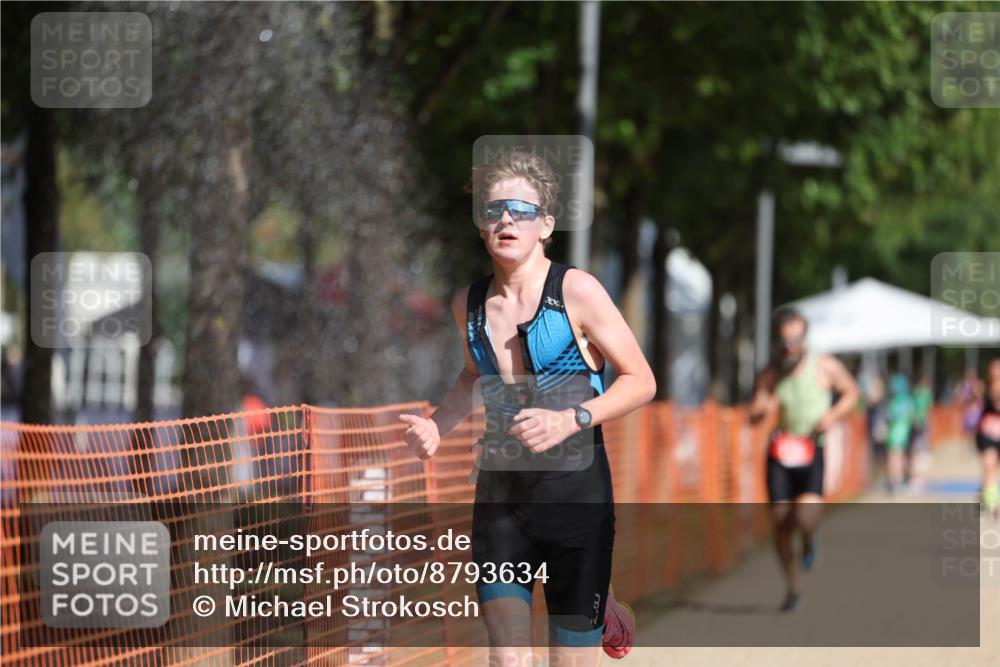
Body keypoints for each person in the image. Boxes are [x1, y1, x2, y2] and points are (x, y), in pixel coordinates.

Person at [399, 149, 655, 665]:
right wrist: (437, 427)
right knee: (508, 659)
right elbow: (475, 375)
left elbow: (641, 380)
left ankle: (602, 605)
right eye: (493, 210)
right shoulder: (468, 304)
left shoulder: (576, 291)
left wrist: (572, 418)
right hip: (501, 499)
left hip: (576, 499)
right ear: (481, 226)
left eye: (520, 209)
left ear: (546, 225)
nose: (506, 220)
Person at [749, 307, 859, 611]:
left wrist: (832, 416)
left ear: (805, 339)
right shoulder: (770, 373)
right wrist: (762, 407)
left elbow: (851, 392)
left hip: (812, 448)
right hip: (780, 452)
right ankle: (792, 588)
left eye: (797, 340)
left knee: (806, 516)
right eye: (786, 341)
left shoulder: (825, 366)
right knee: (780, 520)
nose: (791, 347)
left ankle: (810, 538)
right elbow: (753, 415)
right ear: (777, 341)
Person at [884, 373, 915, 494]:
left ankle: (895, 482)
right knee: (900, 457)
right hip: (904, 433)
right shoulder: (909, 400)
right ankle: (901, 480)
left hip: (895, 433)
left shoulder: (894, 401)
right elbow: (913, 416)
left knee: (894, 457)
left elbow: (889, 418)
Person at [977, 358, 1000, 518]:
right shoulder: (984, 388)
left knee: (993, 468)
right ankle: (991, 502)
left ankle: (987, 493)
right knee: (989, 465)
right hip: (987, 434)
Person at [908, 375, 934, 492]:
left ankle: (915, 477)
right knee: (919, 451)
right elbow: (928, 409)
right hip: (921, 423)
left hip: (916, 423)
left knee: (916, 450)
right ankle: (917, 478)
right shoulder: (926, 393)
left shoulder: (915, 393)